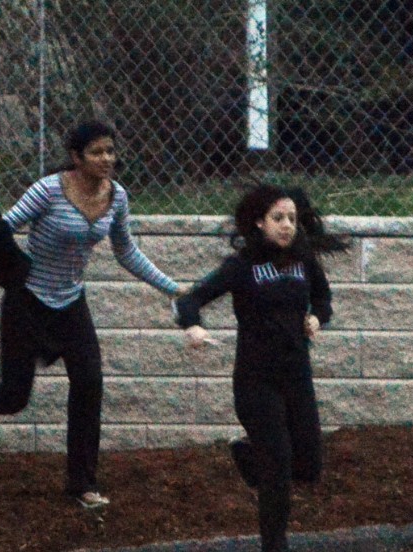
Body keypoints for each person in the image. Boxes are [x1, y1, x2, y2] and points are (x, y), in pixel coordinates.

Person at [0, 120, 185, 511]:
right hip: (27, 302)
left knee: (90, 384)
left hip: (71, 304)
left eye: (111, 151)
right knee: (14, 399)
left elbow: (126, 252)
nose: (107, 159)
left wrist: (172, 286)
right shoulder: (48, 191)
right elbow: (3, 227)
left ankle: (82, 483)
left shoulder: (117, 198)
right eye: (97, 152)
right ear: (76, 158)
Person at [173, 185, 348, 552]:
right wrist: (193, 326)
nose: (286, 226)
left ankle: (247, 454)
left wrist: (317, 317)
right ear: (259, 222)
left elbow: (323, 297)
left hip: (297, 377)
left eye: (292, 220)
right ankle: (274, 545)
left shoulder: (303, 261)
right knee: (279, 469)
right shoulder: (243, 266)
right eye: (278, 219)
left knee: (310, 466)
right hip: (256, 381)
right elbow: (192, 299)